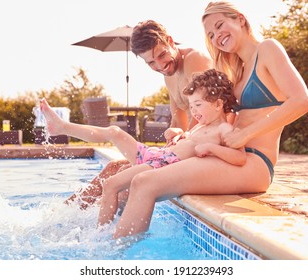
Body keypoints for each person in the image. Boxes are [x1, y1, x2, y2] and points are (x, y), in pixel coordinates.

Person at [111, 1, 308, 239]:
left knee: (145, 183)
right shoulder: (236, 69)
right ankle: (111, 239)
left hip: (254, 163)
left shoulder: (267, 49)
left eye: (220, 26)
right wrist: (185, 134)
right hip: (227, 155)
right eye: (211, 34)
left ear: (239, 18)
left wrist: (244, 135)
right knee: (134, 179)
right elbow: (216, 118)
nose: (217, 36)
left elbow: (301, 101)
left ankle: (116, 257)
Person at [39, 69, 244, 226]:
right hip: (156, 156)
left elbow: (239, 158)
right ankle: (62, 127)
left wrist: (212, 148)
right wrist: (181, 134)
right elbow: (191, 142)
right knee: (114, 132)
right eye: (191, 106)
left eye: (198, 105)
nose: (194, 111)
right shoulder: (202, 126)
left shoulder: (224, 128)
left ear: (218, 104)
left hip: (163, 165)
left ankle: (101, 232)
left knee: (111, 184)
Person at [65, 20, 213, 208]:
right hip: (188, 146)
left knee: (127, 183)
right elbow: (178, 120)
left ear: (170, 41)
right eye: (151, 62)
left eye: (162, 55)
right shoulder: (169, 75)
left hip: (205, 148)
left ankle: (95, 229)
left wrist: (170, 152)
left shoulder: (194, 60)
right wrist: (170, 142)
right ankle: (65, 214)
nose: (160, 66)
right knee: (114, 168)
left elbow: (206, 115)